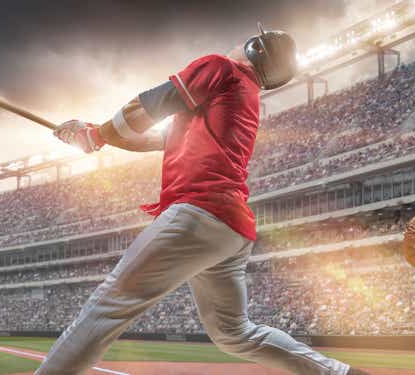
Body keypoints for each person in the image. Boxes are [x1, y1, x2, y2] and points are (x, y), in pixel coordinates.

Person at [37, 23, 368, 375]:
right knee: (234, 333)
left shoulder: (221, 68)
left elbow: (149, 104)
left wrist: (97, 134)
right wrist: (92, 132)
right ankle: (338, 373)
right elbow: (145, 138)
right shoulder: (241, 94)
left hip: (199, 212)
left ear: (256, 47)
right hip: (229, 229)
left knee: (109, 303)